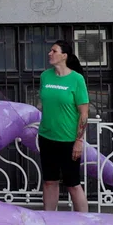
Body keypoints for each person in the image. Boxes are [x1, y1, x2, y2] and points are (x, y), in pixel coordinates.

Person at [38, 40, 90, 212]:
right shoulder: (45, 76)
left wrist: (79, 141)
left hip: (68, 140)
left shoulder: (77, 79)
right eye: (50, 50)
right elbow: (45, 104)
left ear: (64, 56)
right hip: (47, 137)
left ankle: (85, 224)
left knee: (73, 184)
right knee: (49, 181)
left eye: (54, 51)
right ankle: (50, 221)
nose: (49, 53)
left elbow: (83, 113)